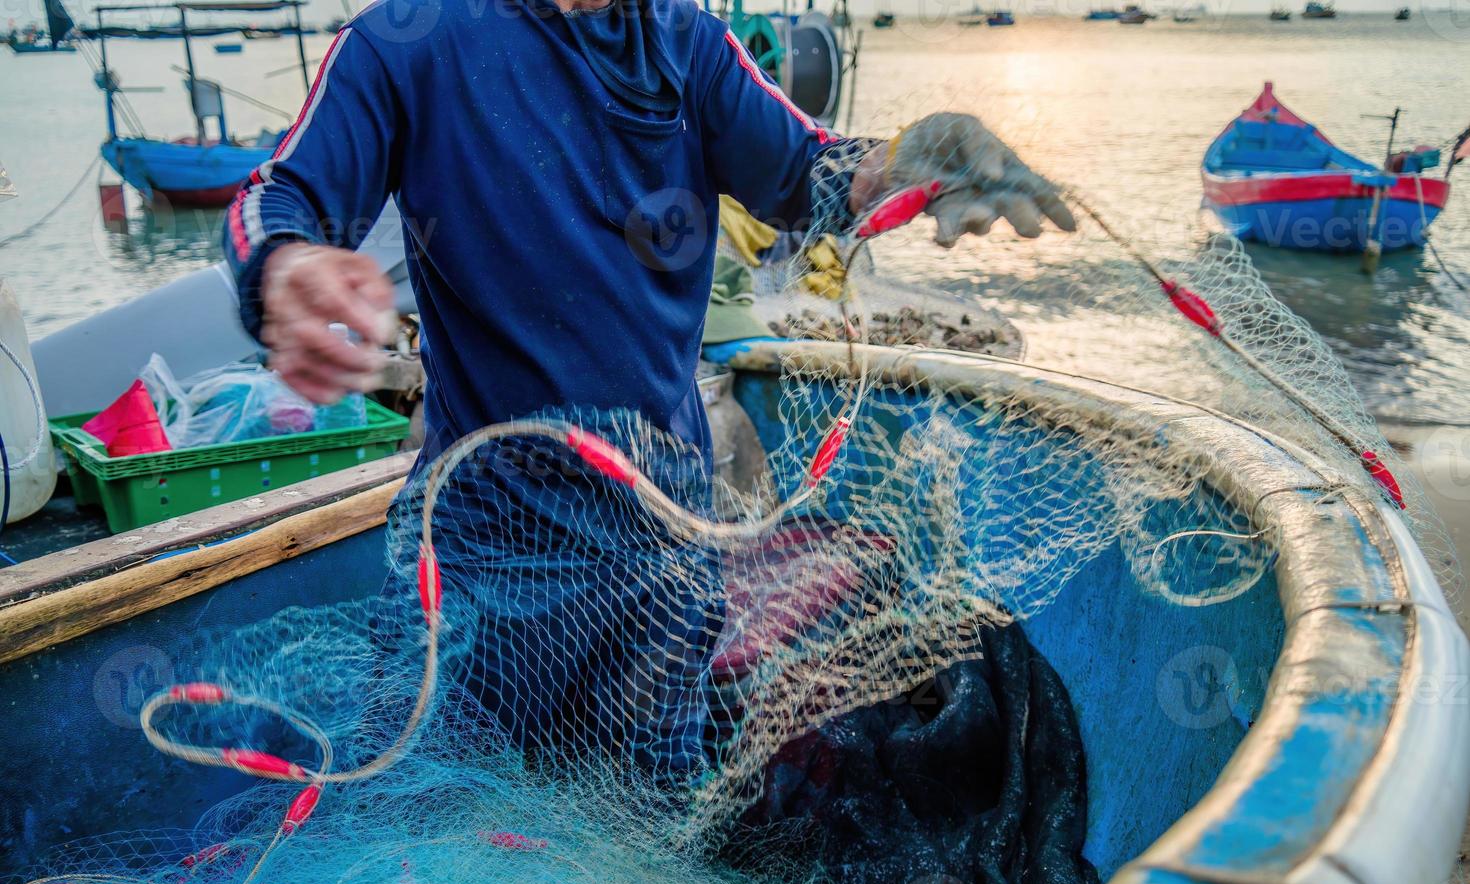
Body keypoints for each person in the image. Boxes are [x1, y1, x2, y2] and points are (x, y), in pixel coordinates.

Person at [224, 0, 1074, 777]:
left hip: (660, 547)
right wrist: (287, 267)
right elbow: (279, 193)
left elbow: (812, 177)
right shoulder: (406, 43)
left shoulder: (690, 42)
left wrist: (903, 162)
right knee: (435, 807)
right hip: (482, 546)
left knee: (653, 810)